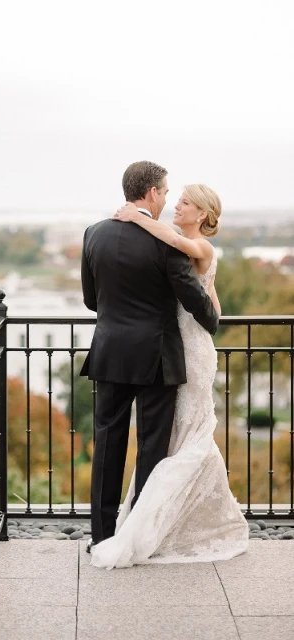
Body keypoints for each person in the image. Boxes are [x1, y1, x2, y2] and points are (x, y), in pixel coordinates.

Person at [90, 181, 248, 568]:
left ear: (204, 214)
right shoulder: (168, 242)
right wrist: (212, 317)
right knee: (164, 442)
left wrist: (136, 216)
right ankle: (155, 523)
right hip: (163, 350)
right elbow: (207, 299)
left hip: (176, 351)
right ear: (152, 192)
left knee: (173, 438)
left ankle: (122, 529)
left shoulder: (109, 233)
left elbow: (90, 299)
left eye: (185, 202)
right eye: (172, 197)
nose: (175, 205)